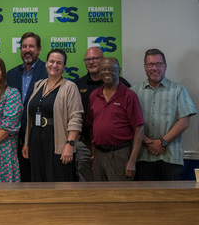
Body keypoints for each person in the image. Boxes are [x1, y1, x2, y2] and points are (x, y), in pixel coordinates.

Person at [133, 49, 197, 181]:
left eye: (158, 64)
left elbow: (184, 122)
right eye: (150, 64)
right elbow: (129, 123)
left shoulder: (178, 89)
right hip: (143, 156)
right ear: (145, 67)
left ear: (165, 66)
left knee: (172, 199)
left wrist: (162, 142)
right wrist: (148, 142)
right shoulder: (133, 92)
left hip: (171, 157)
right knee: (146, 198)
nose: (154, 68)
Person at [22, 49, 82, 182]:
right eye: (51, 61)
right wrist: (26, 143)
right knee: (38, 180)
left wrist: (70, 144)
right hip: (36, 139)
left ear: (64, 67)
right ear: (46, 63)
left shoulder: (70, 87)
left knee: (58, 179)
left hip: (57, 140)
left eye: (59, 63)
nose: (54, 65)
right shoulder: (38, 85)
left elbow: (75, 118)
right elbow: (31, 116)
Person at [74, 47, 131, 182]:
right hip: (85, 144)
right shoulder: (77, 85)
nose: (91, 62)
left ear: (103, 60)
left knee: (117, 188)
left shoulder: (123, 85)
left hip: (116, 148)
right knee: (90, 186)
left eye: (95, 58)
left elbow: (135, 123)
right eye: (88, 59)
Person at [85, 58, 144, 181]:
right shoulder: (94, 95)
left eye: (111, 69)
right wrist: (93, 154)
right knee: (99, 195)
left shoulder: (129, 95)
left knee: (120, 195)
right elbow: (91, 126)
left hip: (120, 153)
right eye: (104, 69)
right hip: (99, 154)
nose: (107, 72)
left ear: (119, 71)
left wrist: (132, 161)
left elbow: (139, 129)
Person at [7, 32, 48, 182]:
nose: (27, 49)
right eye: (24, 46)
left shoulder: (48, 71)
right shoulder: (11, 74)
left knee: (38, 177)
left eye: (31, 46)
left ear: (38, 49)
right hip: (14, 135)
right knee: (20, 177)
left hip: (39, 133)